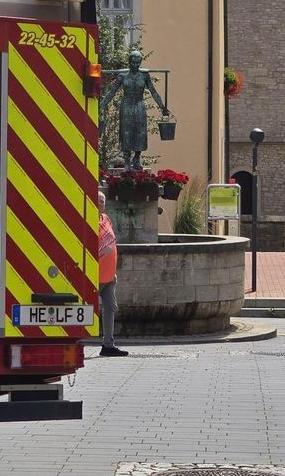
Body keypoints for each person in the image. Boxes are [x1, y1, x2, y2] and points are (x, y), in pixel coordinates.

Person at [98, 51, 169, 171]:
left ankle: (137, 158)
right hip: (126, 105)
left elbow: (153, 92)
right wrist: (101, 105)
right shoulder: (122, 75)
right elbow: (112, 92)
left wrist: (163, 107)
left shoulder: (144, 75)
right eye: (132, 62)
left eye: (137, 63)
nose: (135, 65)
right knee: (126, 132)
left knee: (140, 132)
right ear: (129, 62)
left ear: (140, 62)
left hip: (139, 105)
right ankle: (126, 161)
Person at [97, 191, 127, 357]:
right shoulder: (87, 221)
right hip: (94, 277)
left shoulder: (106, 219)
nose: (101, 203)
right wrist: (102, 252)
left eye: (103, 201)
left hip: (109, 277)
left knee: (110, 308)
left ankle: (108, 345)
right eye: (98, 201)